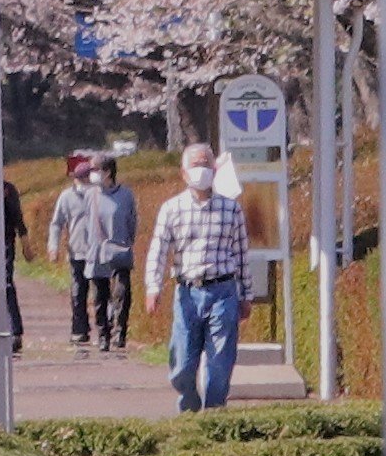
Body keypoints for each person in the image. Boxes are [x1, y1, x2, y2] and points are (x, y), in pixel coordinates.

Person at [146, 148, 253, 412]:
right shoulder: (171, 209)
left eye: (206, 164)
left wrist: (246, 295)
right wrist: (153, 286)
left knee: (220, 362)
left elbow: (241, 254)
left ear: (215, 170)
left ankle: (214, 414)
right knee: (182, 364)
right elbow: (158, 250)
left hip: (223, 291)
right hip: (187, 293)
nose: (201, 169)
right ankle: (189, 406)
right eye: (195, 165)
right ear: (183, 173)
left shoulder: (231, 209)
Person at [54, 153, 138, 354]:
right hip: (96, 252)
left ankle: (119, 332)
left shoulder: (125, 195)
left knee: (121, 294)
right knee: (100, 297)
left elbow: (132, 222)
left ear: (108, 172)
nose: (91, 174)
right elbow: (85, 222)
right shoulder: (91, 195)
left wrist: (127, 241)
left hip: (119, 250)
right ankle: (103, 335)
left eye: (95, 170)